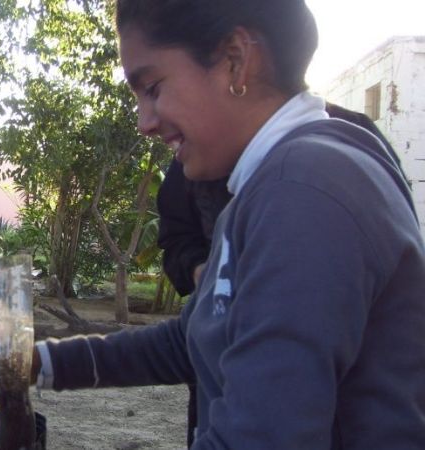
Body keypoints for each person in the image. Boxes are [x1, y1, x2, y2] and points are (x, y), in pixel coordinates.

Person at [26, 0, 425, 449]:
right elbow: (193, 337)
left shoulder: (305, 192)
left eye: (153, 88)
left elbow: (262, 438)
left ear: (236, 59)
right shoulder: (264, 189)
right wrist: (35, 363)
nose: (144, 123)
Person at [157, 102, 405, 447]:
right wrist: (209, 276)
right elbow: (175, 239)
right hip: (225, 354)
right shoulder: (200, 150)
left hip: (341, 370)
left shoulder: (351, 133)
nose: (148, 122)